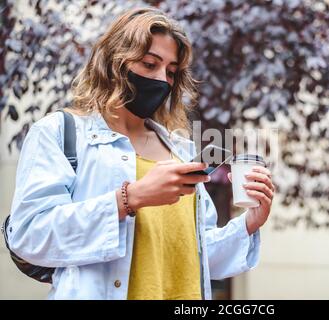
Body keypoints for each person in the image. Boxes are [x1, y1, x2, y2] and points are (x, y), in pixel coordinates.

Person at [7, 7, 275, 300]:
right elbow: (29, 234)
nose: (162, 79)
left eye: (171, 72)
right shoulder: (60, 133)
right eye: (149, 64)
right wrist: (129, 198)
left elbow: (195, 252)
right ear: (113, 64)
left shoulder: (180, 150)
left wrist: (250, 222)